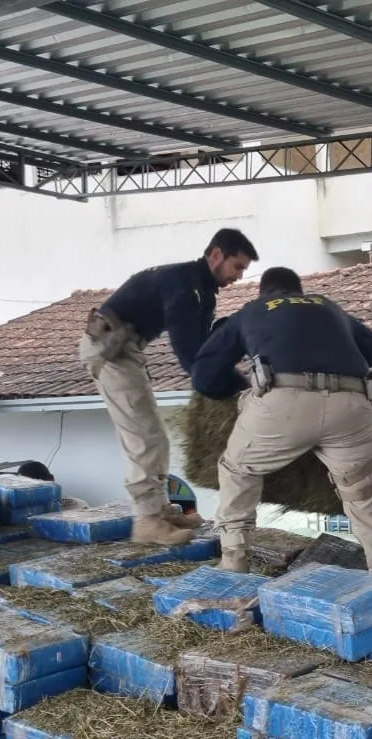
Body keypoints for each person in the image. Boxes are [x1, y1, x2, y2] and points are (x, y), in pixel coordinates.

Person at [190, 266, 372, 580]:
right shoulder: (328, 307)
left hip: (284, 402)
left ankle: (234, 565)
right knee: (366, 498)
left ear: (263, 292)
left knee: (237, 470)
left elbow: (205, 373)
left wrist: (226, 391)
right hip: (353, 404)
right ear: (300, 291)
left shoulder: (253, 310)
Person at [80, 229, 258, 546]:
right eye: (238, 266)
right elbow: (191, 355)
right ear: (216, 255)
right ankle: (147, 522)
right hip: (110, 349)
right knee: (144, 437)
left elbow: (203, 346)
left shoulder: (201, 289)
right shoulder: (184, 285)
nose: (239, 276)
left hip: (126, 348)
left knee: (153, 436)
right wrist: (228, 388)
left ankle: (159, 510)